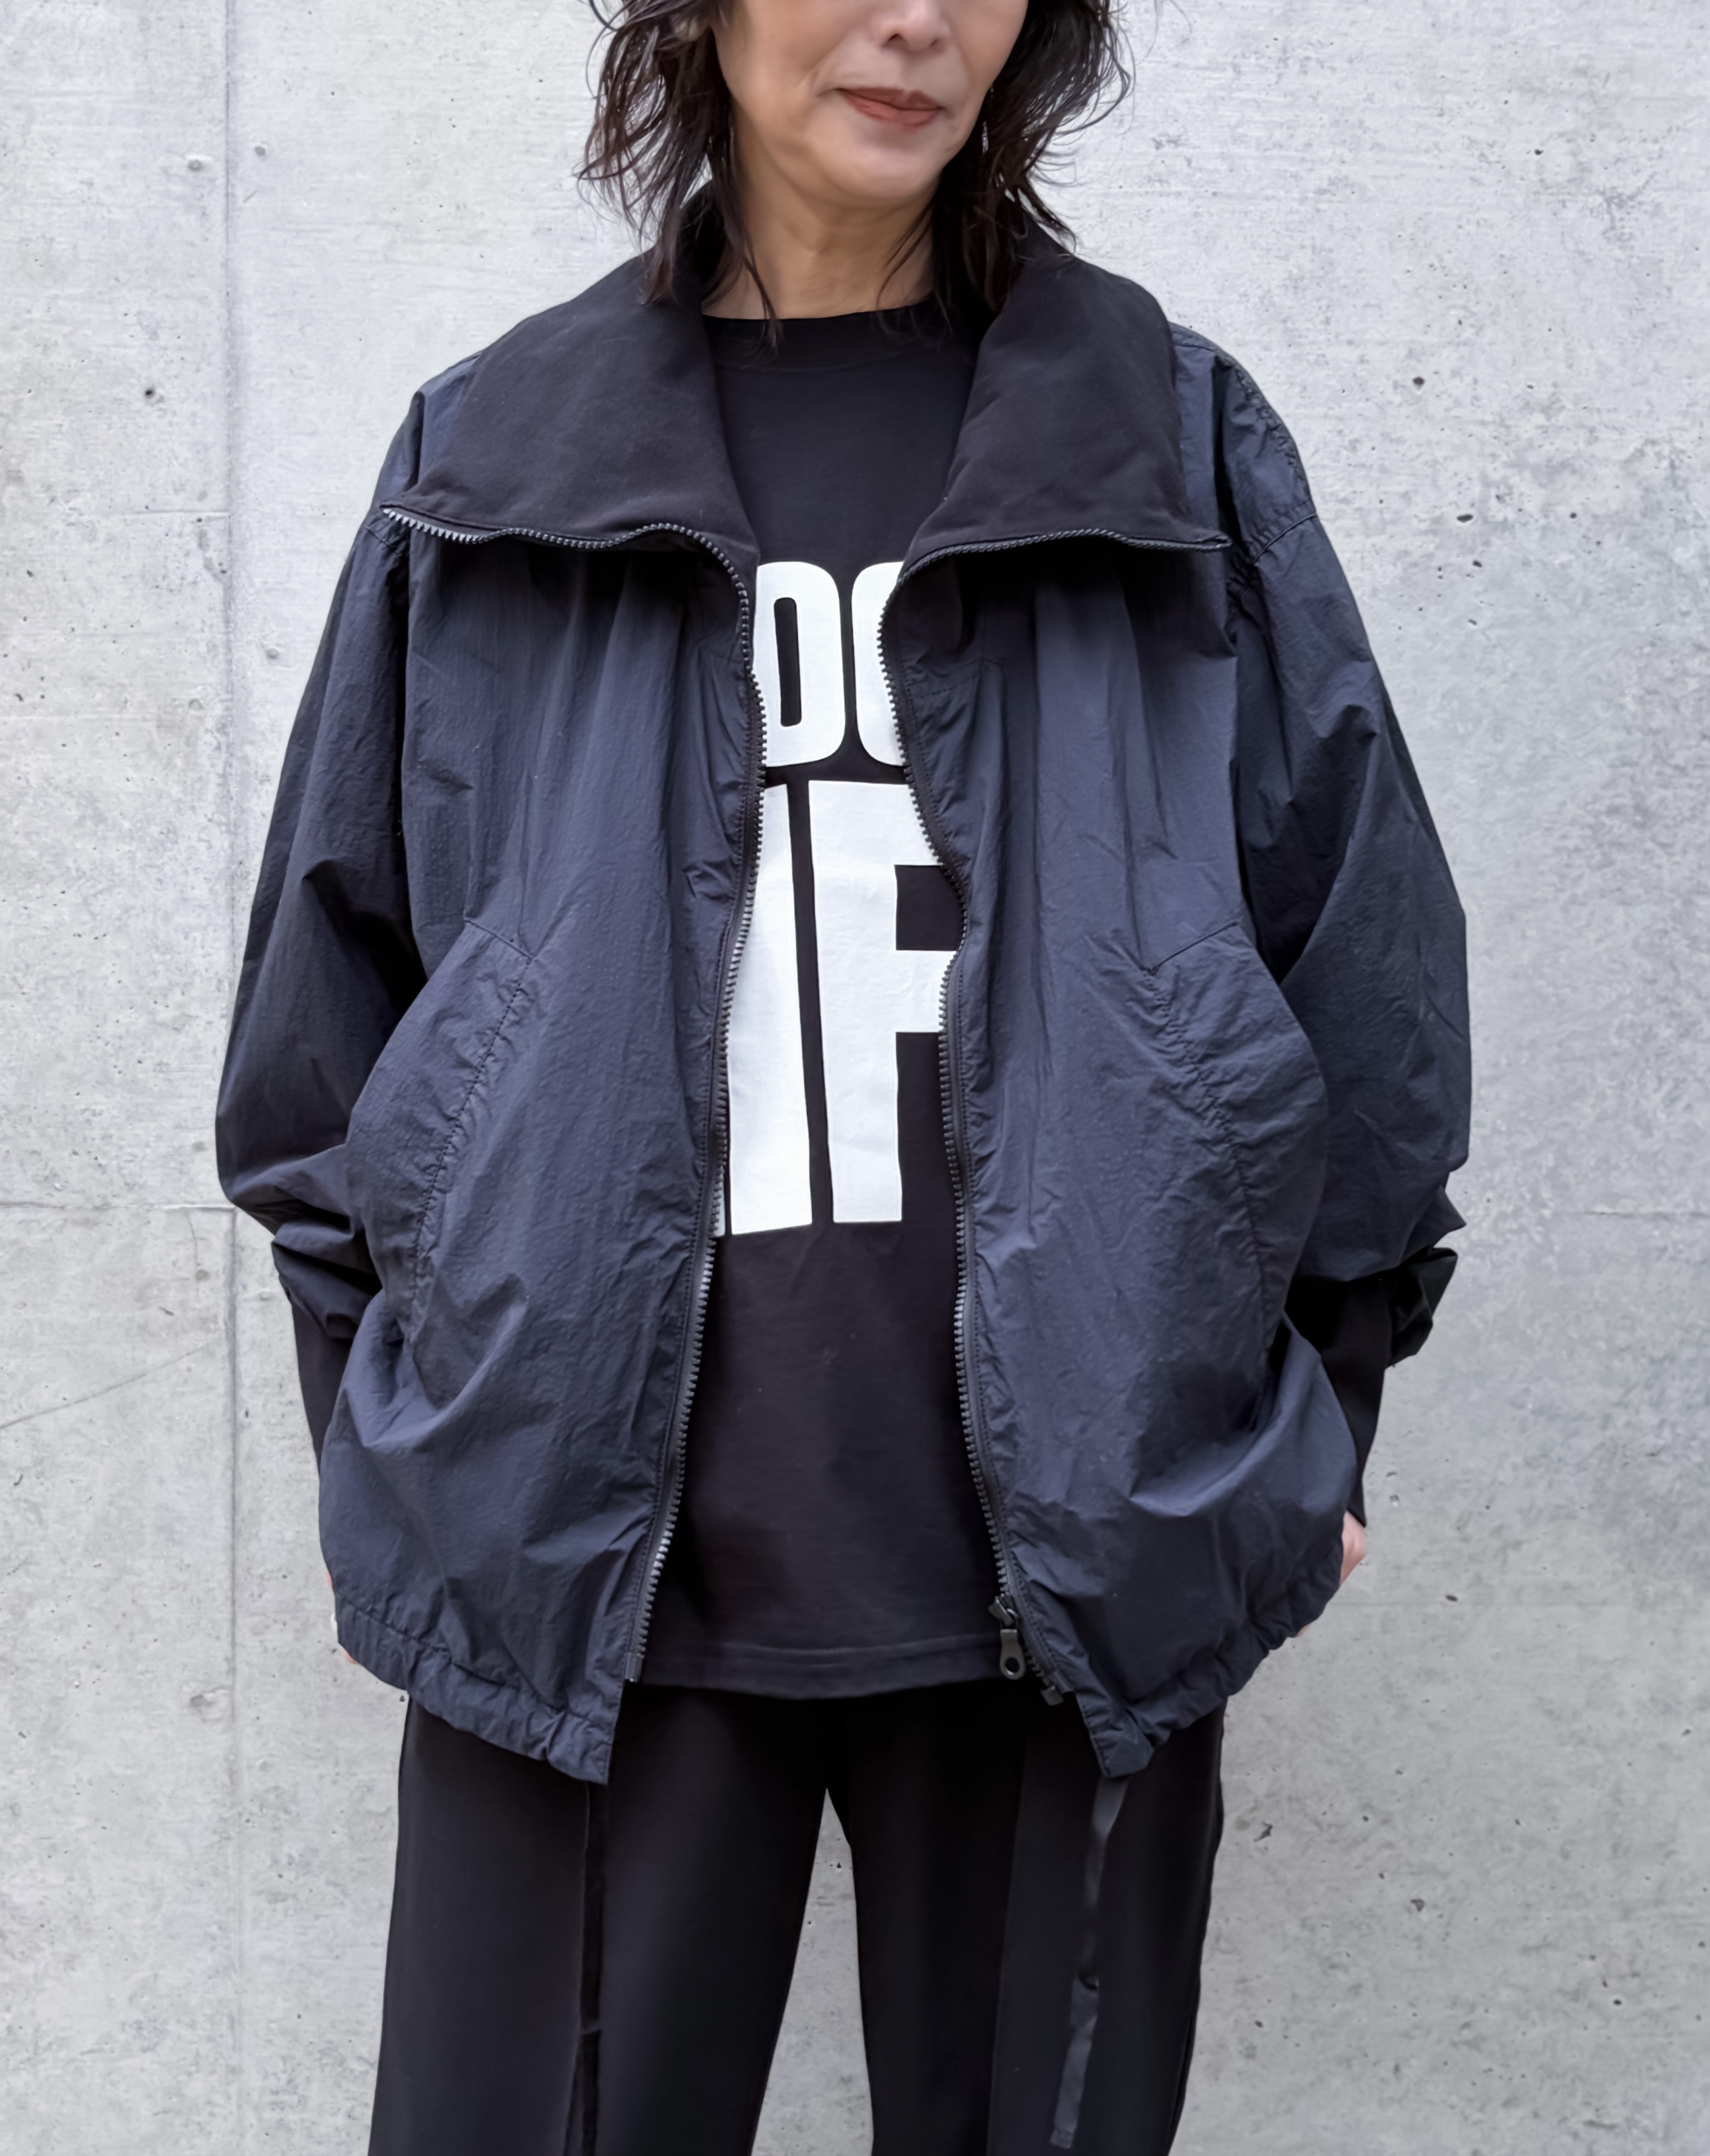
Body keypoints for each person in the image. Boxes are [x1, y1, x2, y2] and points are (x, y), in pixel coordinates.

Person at [216, 0, 1470, 2147]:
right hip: (584, 1566)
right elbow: (328, 1022)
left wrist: (1313, 1410)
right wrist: (405, 1447)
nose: (914, 21)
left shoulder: (1162, 440)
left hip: (1076, 1553)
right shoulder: (496, 456)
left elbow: (1354, 947)